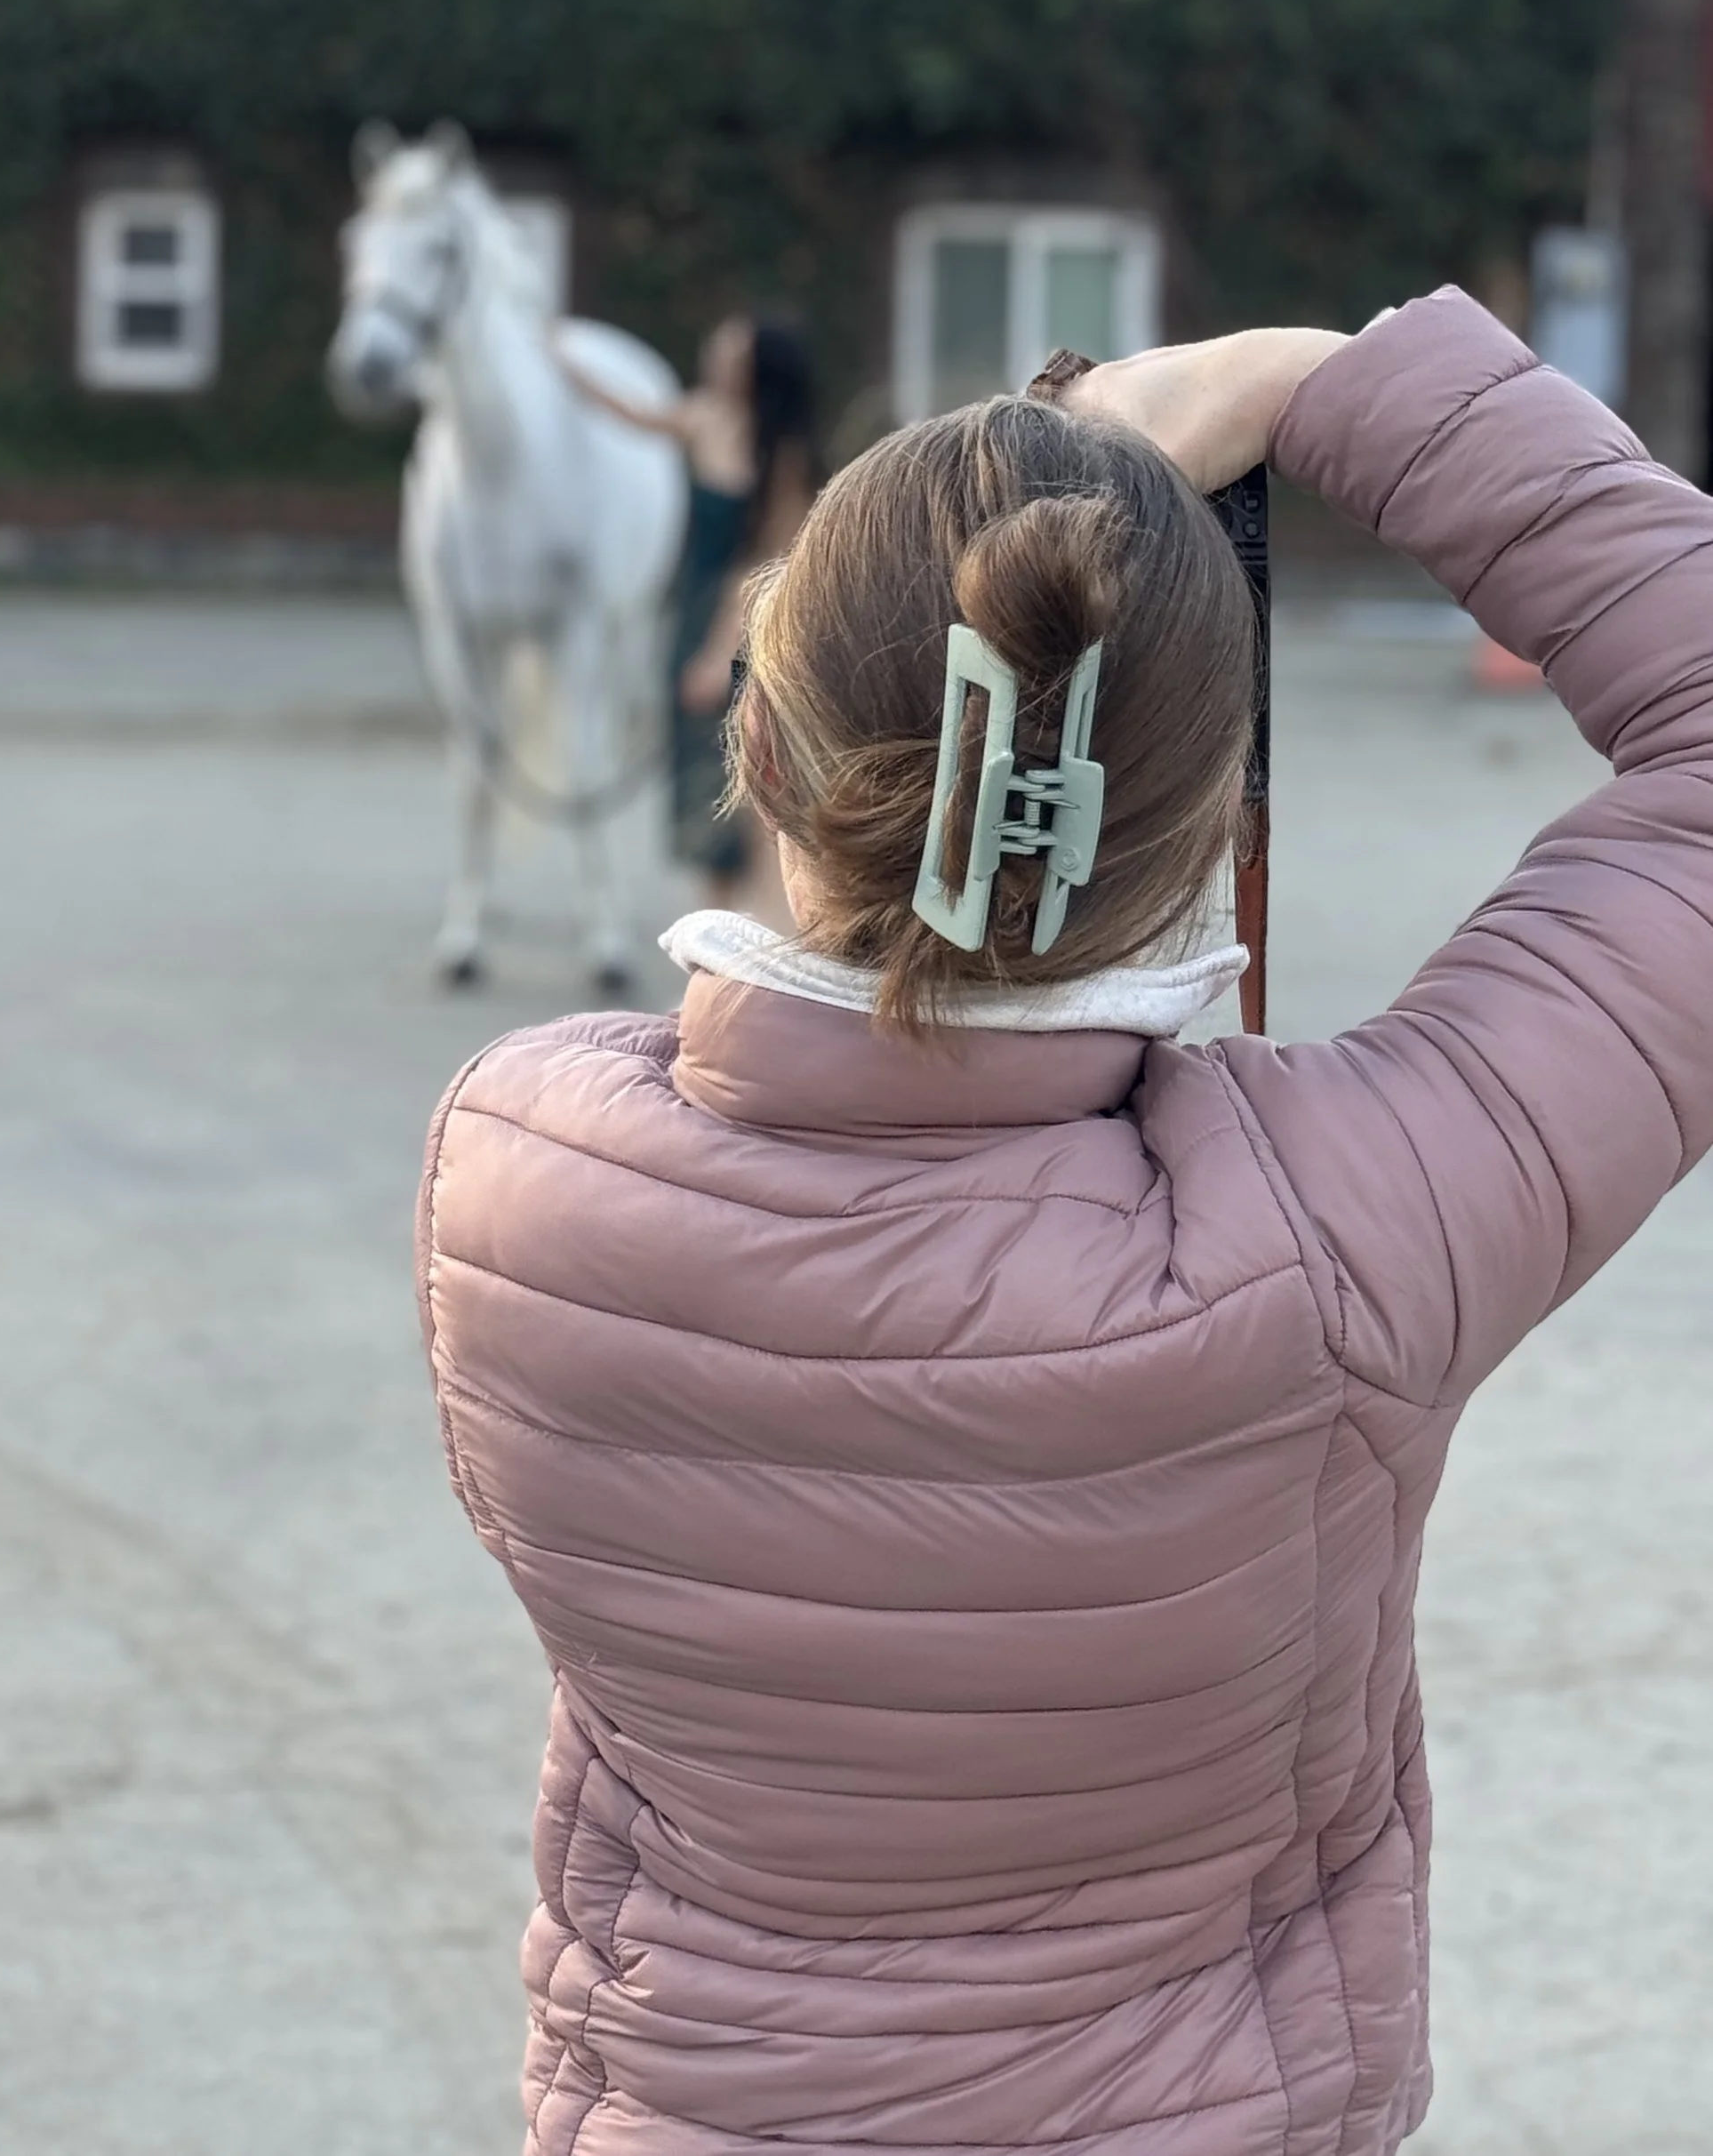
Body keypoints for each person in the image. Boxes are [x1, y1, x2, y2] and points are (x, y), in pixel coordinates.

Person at [416, 290, 1713, 2156]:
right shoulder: (1339, 1230)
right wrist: (1317, 384)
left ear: (760, 753)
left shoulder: (517, 1173)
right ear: (1209, 838)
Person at [561, 312, 820, 912]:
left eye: (732, 356)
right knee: (701, 776)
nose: (716, 363)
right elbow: (632, 413)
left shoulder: (787, 452)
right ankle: (721, 920)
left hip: (751, 626)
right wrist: (567, 367)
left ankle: (760, 922)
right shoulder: (704, 419)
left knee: (754, 778)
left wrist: (718, 650)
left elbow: (761, 563)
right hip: (694, 610)